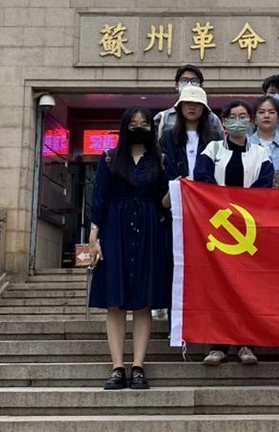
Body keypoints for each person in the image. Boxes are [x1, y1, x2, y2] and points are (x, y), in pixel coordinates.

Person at [88, 107, 169, 391]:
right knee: (115, 301)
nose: (139, 127)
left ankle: (138, 366)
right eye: (133, 123)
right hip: (115, 229)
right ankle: (117, 367)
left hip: (149, 230)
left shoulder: (160, 160)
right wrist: (94, 237)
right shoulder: (109, 158)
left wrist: (179, 188)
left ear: (151, 128)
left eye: (144, 123)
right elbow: (100, 198)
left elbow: (164, 202)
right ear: (124, 126)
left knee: (144, 302)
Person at [194, 100, 275, 365]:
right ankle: (217, 345)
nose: (238, 121)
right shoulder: (212, 149)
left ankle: (246, 344)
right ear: (224, 121)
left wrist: (241, 208)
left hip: (249, 229)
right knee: (218, 287)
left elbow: (265, 185)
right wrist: (224, 205)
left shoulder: (261, 153)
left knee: (248, 287)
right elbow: (202, 180)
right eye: (233, 117)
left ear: (250, 121)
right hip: (218, 229)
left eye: (243, 116)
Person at [159, 85, 222, 182]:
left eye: (197, 103)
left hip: (205, 189)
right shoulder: (167, 137)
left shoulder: (214, 138)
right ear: (180, 107)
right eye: (187, 103)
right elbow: (163, 168)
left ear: (204, 108)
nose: (192, 107)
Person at [154, 64, 224, 140]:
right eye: (184, 80)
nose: (189, 84)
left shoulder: (212, 119)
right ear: (177, 85)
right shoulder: (163, 118)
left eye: (194, 81)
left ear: (201, 86)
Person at [248, 95, 279, 187]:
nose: (266, 116)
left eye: (271, 112)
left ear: (278, 118)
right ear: (254, 119)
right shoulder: (246, 146)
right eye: (261, 112)